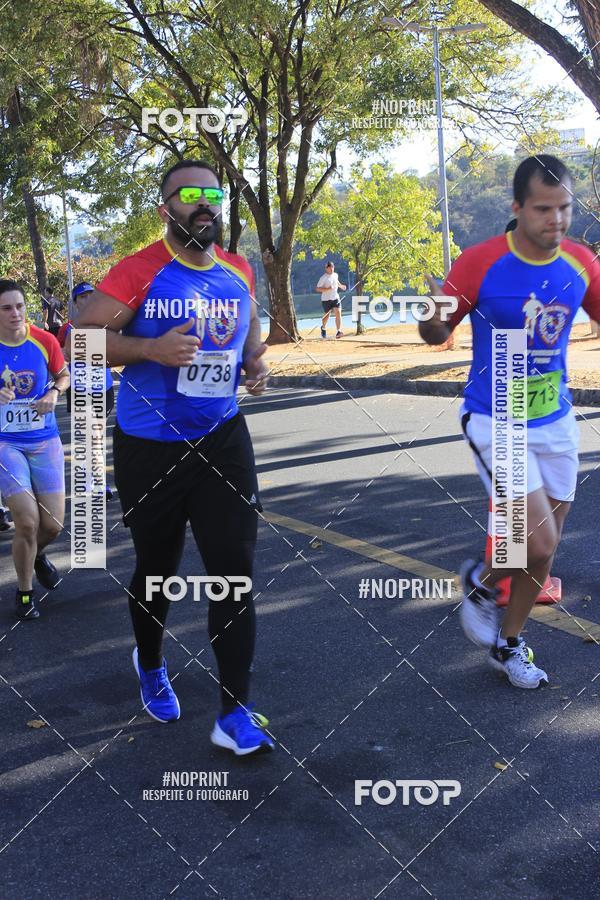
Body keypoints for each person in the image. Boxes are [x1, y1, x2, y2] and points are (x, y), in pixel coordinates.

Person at [77, 159, 274, 755]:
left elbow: (250, 333)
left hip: (222, 438)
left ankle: (234, 713)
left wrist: (255, 362)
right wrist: (149, 349)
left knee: (233, 573)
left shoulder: (237, 268)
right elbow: (80, 340)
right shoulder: (139, 271)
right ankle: (152, 660)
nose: (205, 203)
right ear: (166, 207)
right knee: (157, 572)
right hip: (149, 446)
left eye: (213, 193)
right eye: (190, 194)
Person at [420, 154, 600, 689]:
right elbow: (436, 335)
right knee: (536, 544)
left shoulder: (580, 261)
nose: (557, 220)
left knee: (537, 549)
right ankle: (485, 590)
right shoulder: (480, 263)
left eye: (564, 208)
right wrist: (433, 312)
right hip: (496, 417)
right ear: (517, 208)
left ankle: (504, 636)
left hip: (555, 417)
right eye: (544, 209)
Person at [0, 279, 69, 619]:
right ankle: (24, 594)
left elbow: (63, 374)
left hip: (45, 440)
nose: (15, 314)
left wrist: (54, 393)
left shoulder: (43, 340)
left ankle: (35, 555)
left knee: (53, 524)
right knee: (27, 522)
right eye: (7, 308)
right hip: (6, 443)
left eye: (20, 306)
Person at [57, 282, 114, 499]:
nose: (88, 299)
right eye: (82, 297)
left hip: (103, 387)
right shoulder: (68, 328)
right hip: (80, 388)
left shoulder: (108, 324)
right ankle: (95, 484)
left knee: (96, 436)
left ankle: (93, 482)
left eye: (92, 295)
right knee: (91, 436)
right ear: (76, 303)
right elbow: (61, 355)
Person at [316, 261, 346, 339]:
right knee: (327, 315)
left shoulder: (335, 275)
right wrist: (328, 289)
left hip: (335, 298)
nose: (331, 269)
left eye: (332, 267)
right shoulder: (323, 278)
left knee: (338, 313)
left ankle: (338, 331)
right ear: (326, 269)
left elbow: (337, 282)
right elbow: (317, 289)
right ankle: (323, 327)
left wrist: (341, 286)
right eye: (329, 268)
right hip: (326, 300)